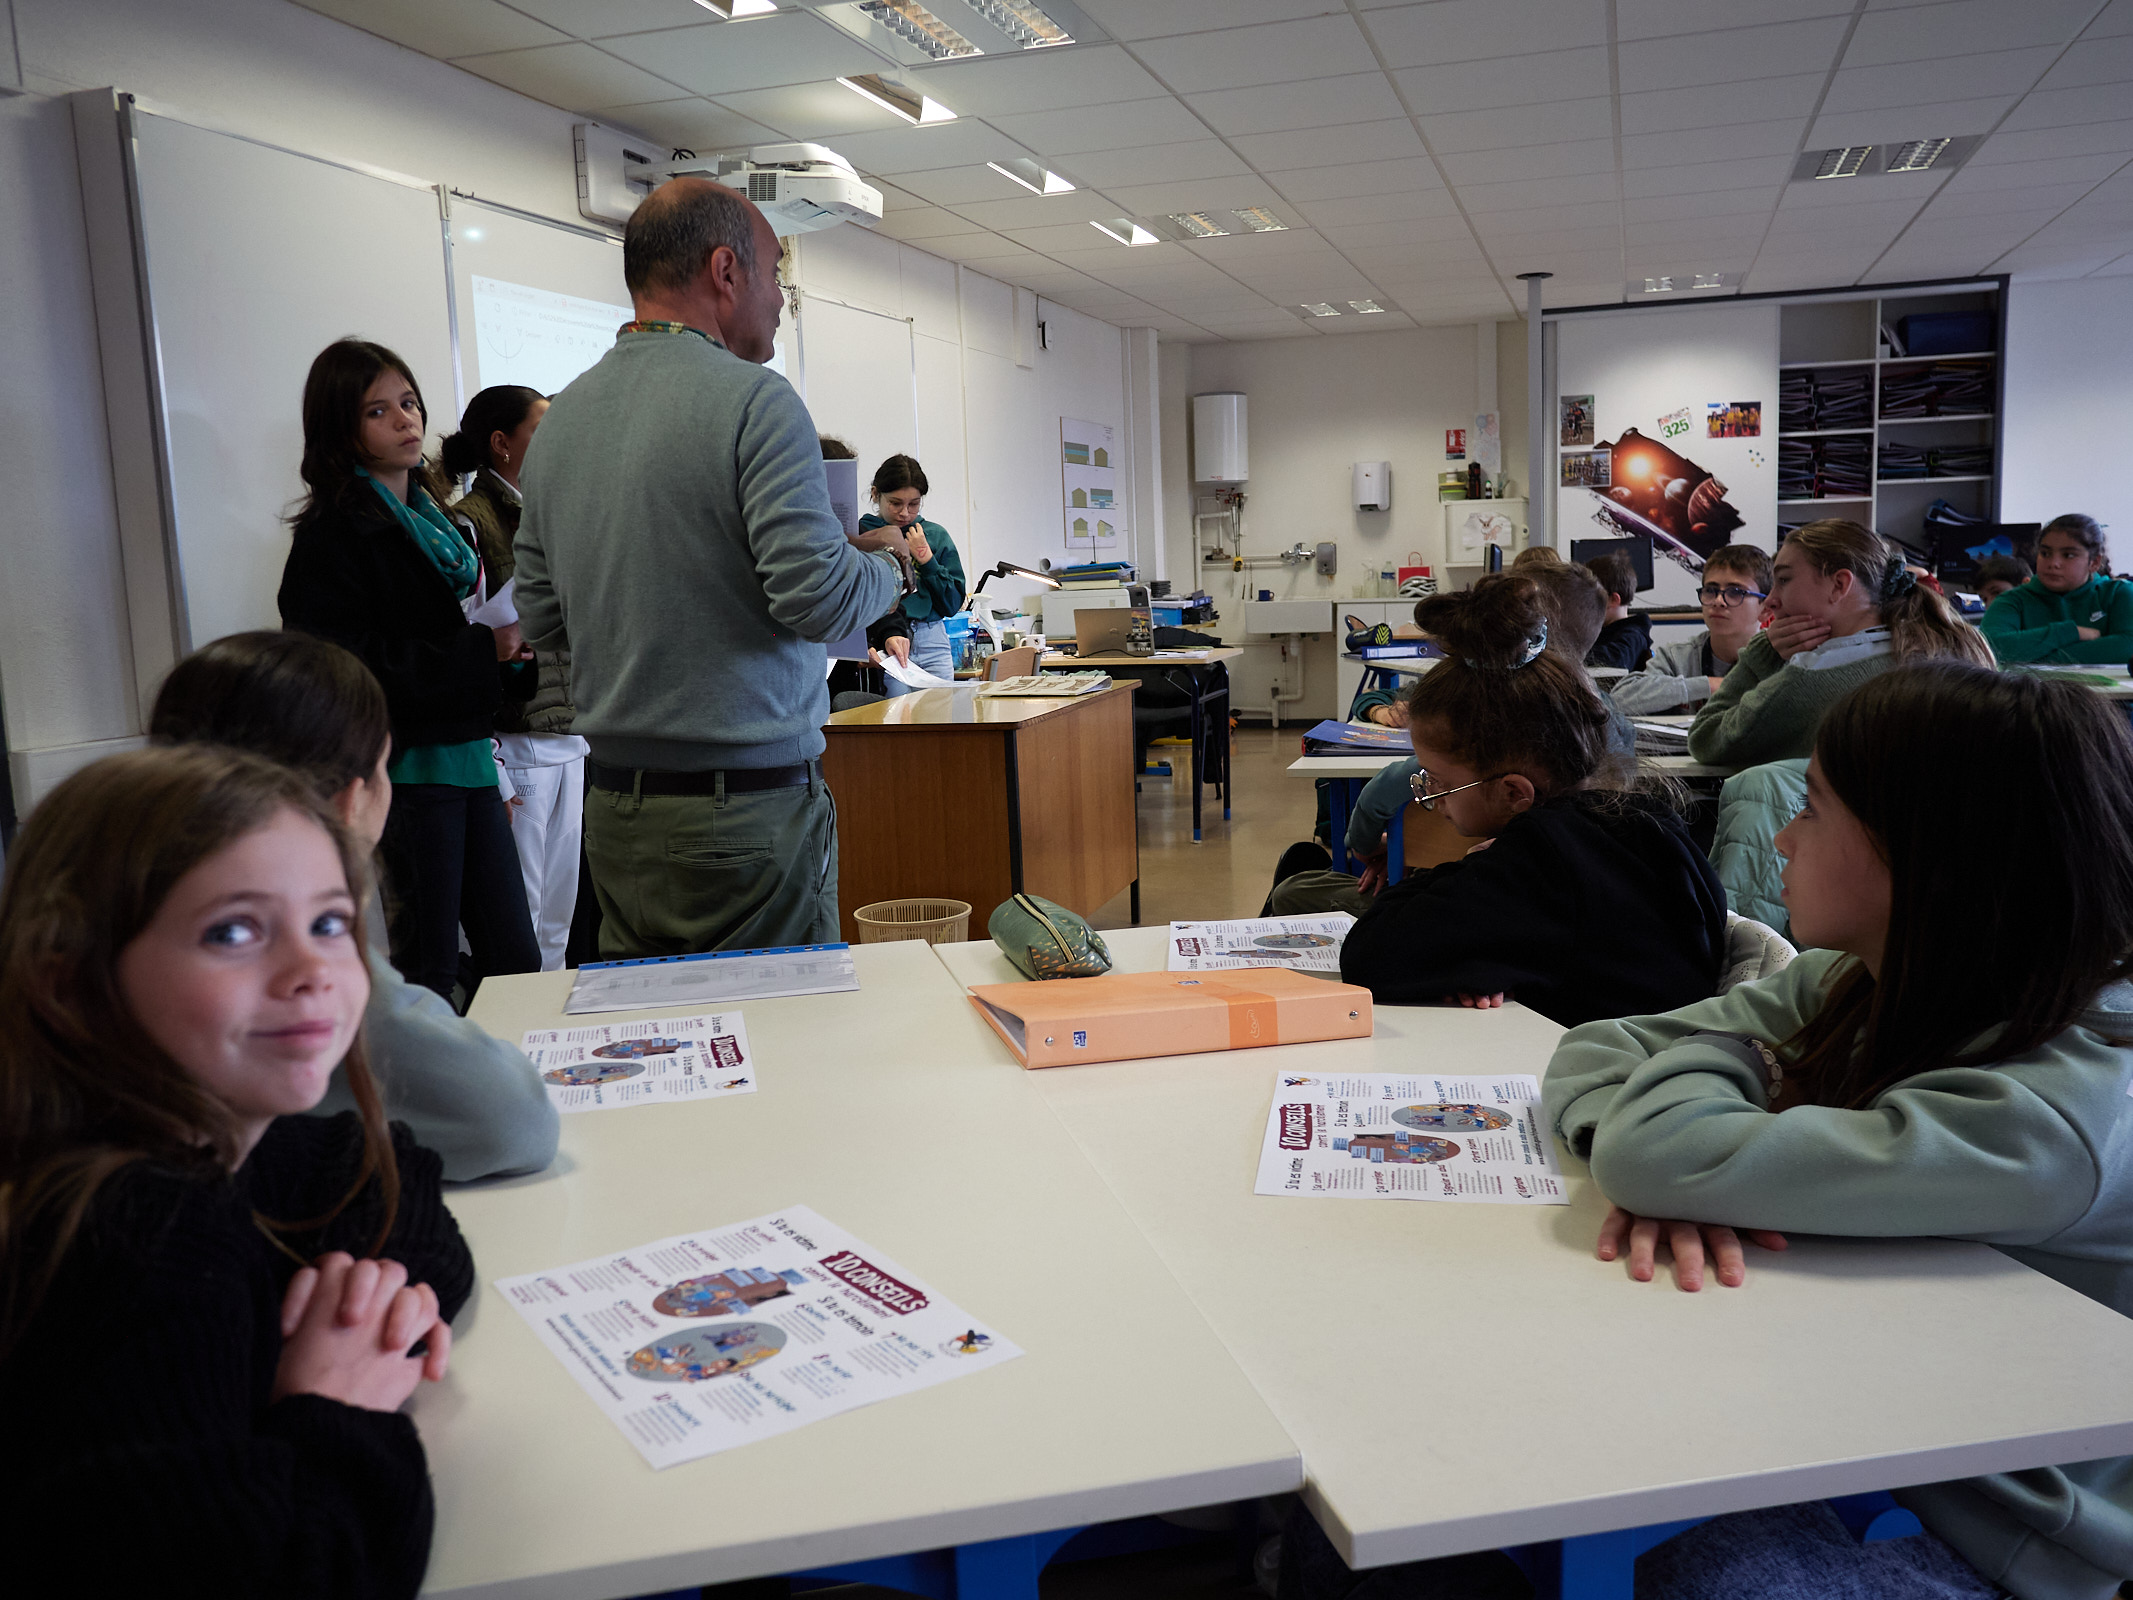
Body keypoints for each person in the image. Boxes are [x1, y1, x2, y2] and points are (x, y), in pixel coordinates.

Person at [1542, 661, 2133, 1600]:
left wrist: (1714, 1119)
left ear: (1930, 851)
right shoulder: (1861, 978)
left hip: (1985, 1520)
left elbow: (1655, 1150)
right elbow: (1596, 1049)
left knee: (1661, 1554)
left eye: (1811, 808)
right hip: (1855, 1408)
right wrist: (1696, 1179)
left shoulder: (2049, 1124)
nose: (1780, 836)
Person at [0, 745, 471, 1595]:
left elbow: (378, 1164)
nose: (312, 971)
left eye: (330, 923)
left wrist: (367, 1300)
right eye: (233, 932)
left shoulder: (202, 1139)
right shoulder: (139, 1236)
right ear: (70, 983)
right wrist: (337, 1406)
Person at [514, 177, 909, 958]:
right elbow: (818, 601)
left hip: (617, 811)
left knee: (667, 1027)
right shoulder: (756, 401)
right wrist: (890, 570)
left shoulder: (562, 418)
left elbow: (542, 616)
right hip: (746, 809)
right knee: (782, 1024)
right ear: (725, 271)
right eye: (775, 274)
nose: (780, 300)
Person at [148, 630, 560, 1180]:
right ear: (351, 799)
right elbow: (514, 1120)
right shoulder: (303, 942)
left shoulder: (136, 903)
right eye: (385, 766)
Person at [1334, 576, 1726, 1024]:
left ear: (1514, 793)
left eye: (1437, 783)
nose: (1433, 798)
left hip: (1615, 1060)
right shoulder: (1646, 818)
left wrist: (1472, 870)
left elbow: (1369, 954)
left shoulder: (1537, 861)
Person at [278, 338, 539, 1004]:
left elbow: (459, 634)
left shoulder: (441, 523)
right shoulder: (332, 535)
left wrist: (509, 656)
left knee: (515, 958)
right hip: (405, 771)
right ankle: (420, 1075)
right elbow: (342, 669)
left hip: (471, 757)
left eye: (410, 402)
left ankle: (502, 1071)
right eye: (378, 411)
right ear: (341, 428)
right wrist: (481, 652)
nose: (405, 420)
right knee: (428, 967)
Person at [440, 385, 586, 972]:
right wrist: (492, 762)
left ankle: (547, 1024)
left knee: (558, 922)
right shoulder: (468, 523)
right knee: (520, 920)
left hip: (570, 734)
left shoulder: (555, 513)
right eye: (540, 431)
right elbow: (465, 636)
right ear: (501, 444)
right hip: (515, 741)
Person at [1688, 519, 1992, 769]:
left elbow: (1705, 738)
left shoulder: (1813, 677)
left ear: (1839, 585)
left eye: (1784, 580)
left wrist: (1763, 654)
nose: (1771, 601)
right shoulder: (1935, 649)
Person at [1611, 544, 1772, 716]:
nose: (1718, 601)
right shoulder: (1677, 657)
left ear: (1766, 609)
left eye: (1736, 592)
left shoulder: (1780, 660)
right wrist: (1707, 685)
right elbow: (1619, 700)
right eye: (1710, 590)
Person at [859, 453, 966, 695]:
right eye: (895, 503)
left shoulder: (934, 535)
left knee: (939, 712)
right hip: (887, 639)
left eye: (914, 504)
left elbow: (952, 604)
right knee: (897, 712)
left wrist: (927, 560)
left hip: (932, 639)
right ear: (875, 494)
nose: (905, 513)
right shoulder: (863, 534)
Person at [1980, 512, 2133, 665]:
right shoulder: (2011, 600)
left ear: (2094, 562)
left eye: (2068, 555)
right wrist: (2069, 632)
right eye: (2045, 553)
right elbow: (1990, 648)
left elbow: (2128, 646)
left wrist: (2036, 656)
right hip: (2030, 682)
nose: (2053, 563)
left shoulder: (2119, 593)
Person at [1583, 548, 1653, 671]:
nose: (1585, 605)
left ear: (1613, 600)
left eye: (1590, 598)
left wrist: (1573, 653)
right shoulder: (1600, 629)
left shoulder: (1633, 636)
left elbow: (1615, 661)